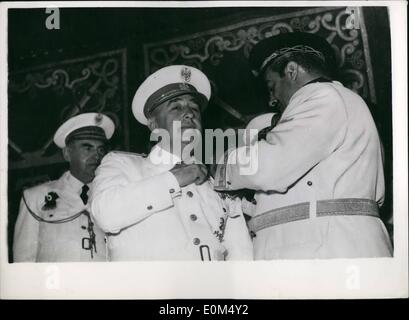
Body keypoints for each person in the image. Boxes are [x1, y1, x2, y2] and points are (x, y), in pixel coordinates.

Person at [214, 32, 393, 259]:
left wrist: (221, 166)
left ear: (291, 70)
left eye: (272, 86)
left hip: (330, 249)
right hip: (324, 244)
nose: (272, 99)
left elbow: (270, 166)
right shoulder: (334, 101)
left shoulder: (324, 97)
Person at [90, 65, 253, 261]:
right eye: (176, 107)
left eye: (194, 107)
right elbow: (106, 214)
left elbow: (240, 254)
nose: (189, 114)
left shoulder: (216, 184)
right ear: (153, 124)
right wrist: (175, 179)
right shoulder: (123, 164)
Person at [13, 113, 115, 262]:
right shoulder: (35, 198)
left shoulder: (113, 196)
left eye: (100, 150)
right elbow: (24, 261)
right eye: (87, 148)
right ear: (67, 153)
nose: (96, 156)